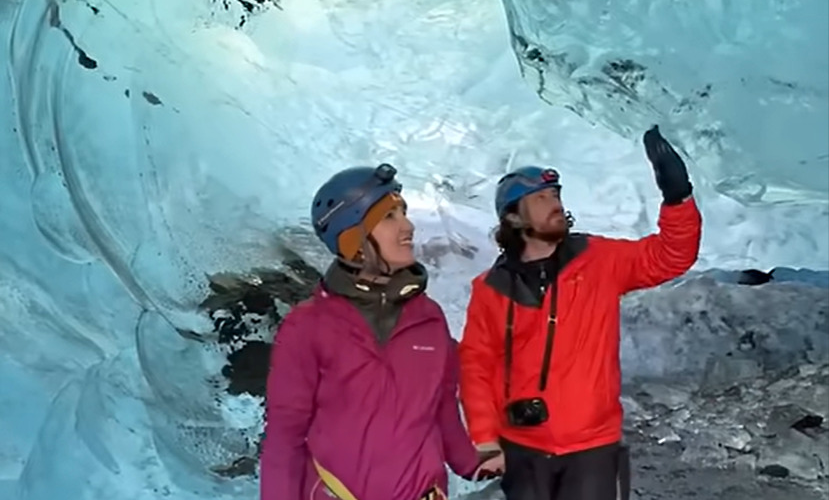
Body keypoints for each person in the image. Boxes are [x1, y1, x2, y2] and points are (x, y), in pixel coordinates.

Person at [458, 126, 703, 500]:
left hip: (593, 449)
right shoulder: (490, 289)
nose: (554, 202)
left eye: (555, 194)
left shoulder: (597, 260)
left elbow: (669, 256)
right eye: (540, 198)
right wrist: (486, 440)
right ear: (513, 219)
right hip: (521, 447)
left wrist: (678, 197)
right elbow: (477, 366)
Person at [260, 163, 499, 500]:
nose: (408, 226)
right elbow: (286, 437)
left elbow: (442, 408)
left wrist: (472, 463)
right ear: (352, 239)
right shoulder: (307, 326)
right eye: (389, 217)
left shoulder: (429, 319)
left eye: (404, 212)